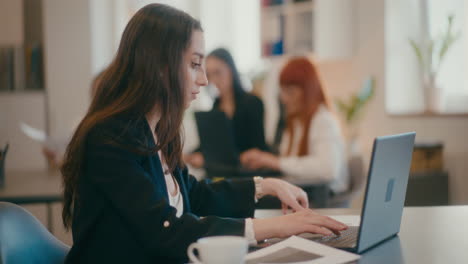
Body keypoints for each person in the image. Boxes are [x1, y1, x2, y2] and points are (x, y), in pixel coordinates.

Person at [60, 5, 347, 263]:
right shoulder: (110, 137)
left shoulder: (160, 132)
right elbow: (166, 231)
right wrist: (274, 227)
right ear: (160, 66)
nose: (205, 79)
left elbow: (194, 196)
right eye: (195, 64)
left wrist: (265, 185)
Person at [241, 57, 349, 195]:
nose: (284, 99)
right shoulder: (296, 121)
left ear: (308, 90)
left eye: (290, 92)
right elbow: (291, 162)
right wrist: (266, 159)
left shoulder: (323, 120)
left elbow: (328, 169)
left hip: (324, 198)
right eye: (283, 91)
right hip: (306, 191)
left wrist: (276, 162)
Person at [184, 48, 268, 168]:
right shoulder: (216, 106)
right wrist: (190, 156)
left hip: (249, 172)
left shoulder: (252, 102)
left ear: (231, 70)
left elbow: (258, 148)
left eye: (218, 72)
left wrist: (208, 159)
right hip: (224, 171)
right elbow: (211, 144)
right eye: (210, 74)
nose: (213, 80)